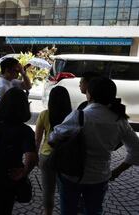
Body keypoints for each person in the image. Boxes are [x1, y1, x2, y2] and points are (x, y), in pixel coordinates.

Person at [49, 77, 139, 215]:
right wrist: (116, 171)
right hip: (100, 177)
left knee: (68, 210)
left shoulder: (80, 116)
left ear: (89, 94)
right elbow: (136, 151)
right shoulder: (120, 120)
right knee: (94, 211)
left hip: (72, 174)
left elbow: (54, 137)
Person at [35, 86, 72, 215]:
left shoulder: (44, 114)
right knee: (66, 190)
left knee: (48, 190)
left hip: (46, 156)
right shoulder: (72, 116)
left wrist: (35, 156)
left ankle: (47, 213)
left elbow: (37, 139)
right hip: (66, 157)